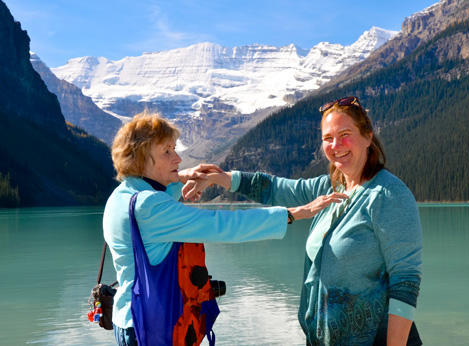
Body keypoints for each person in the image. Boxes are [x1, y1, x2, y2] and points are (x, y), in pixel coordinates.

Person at [183, 96, 423, 345]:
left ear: (368, 137)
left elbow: (405, 281)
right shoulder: (331, 186)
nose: (336, 145)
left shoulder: (388, 195)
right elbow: (276, 189)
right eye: (328, 138)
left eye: (345, 134)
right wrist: (218, 177)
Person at [103, 111, 347, 346]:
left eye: (174, 149)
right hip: (152, 326)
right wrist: (292, 214)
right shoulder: (149, 207)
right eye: (167, 152)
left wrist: (183, 176)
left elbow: (157, 196)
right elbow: (222, 225)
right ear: (140, 158)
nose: (177, 158)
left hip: (130, 319)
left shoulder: (122, 196)